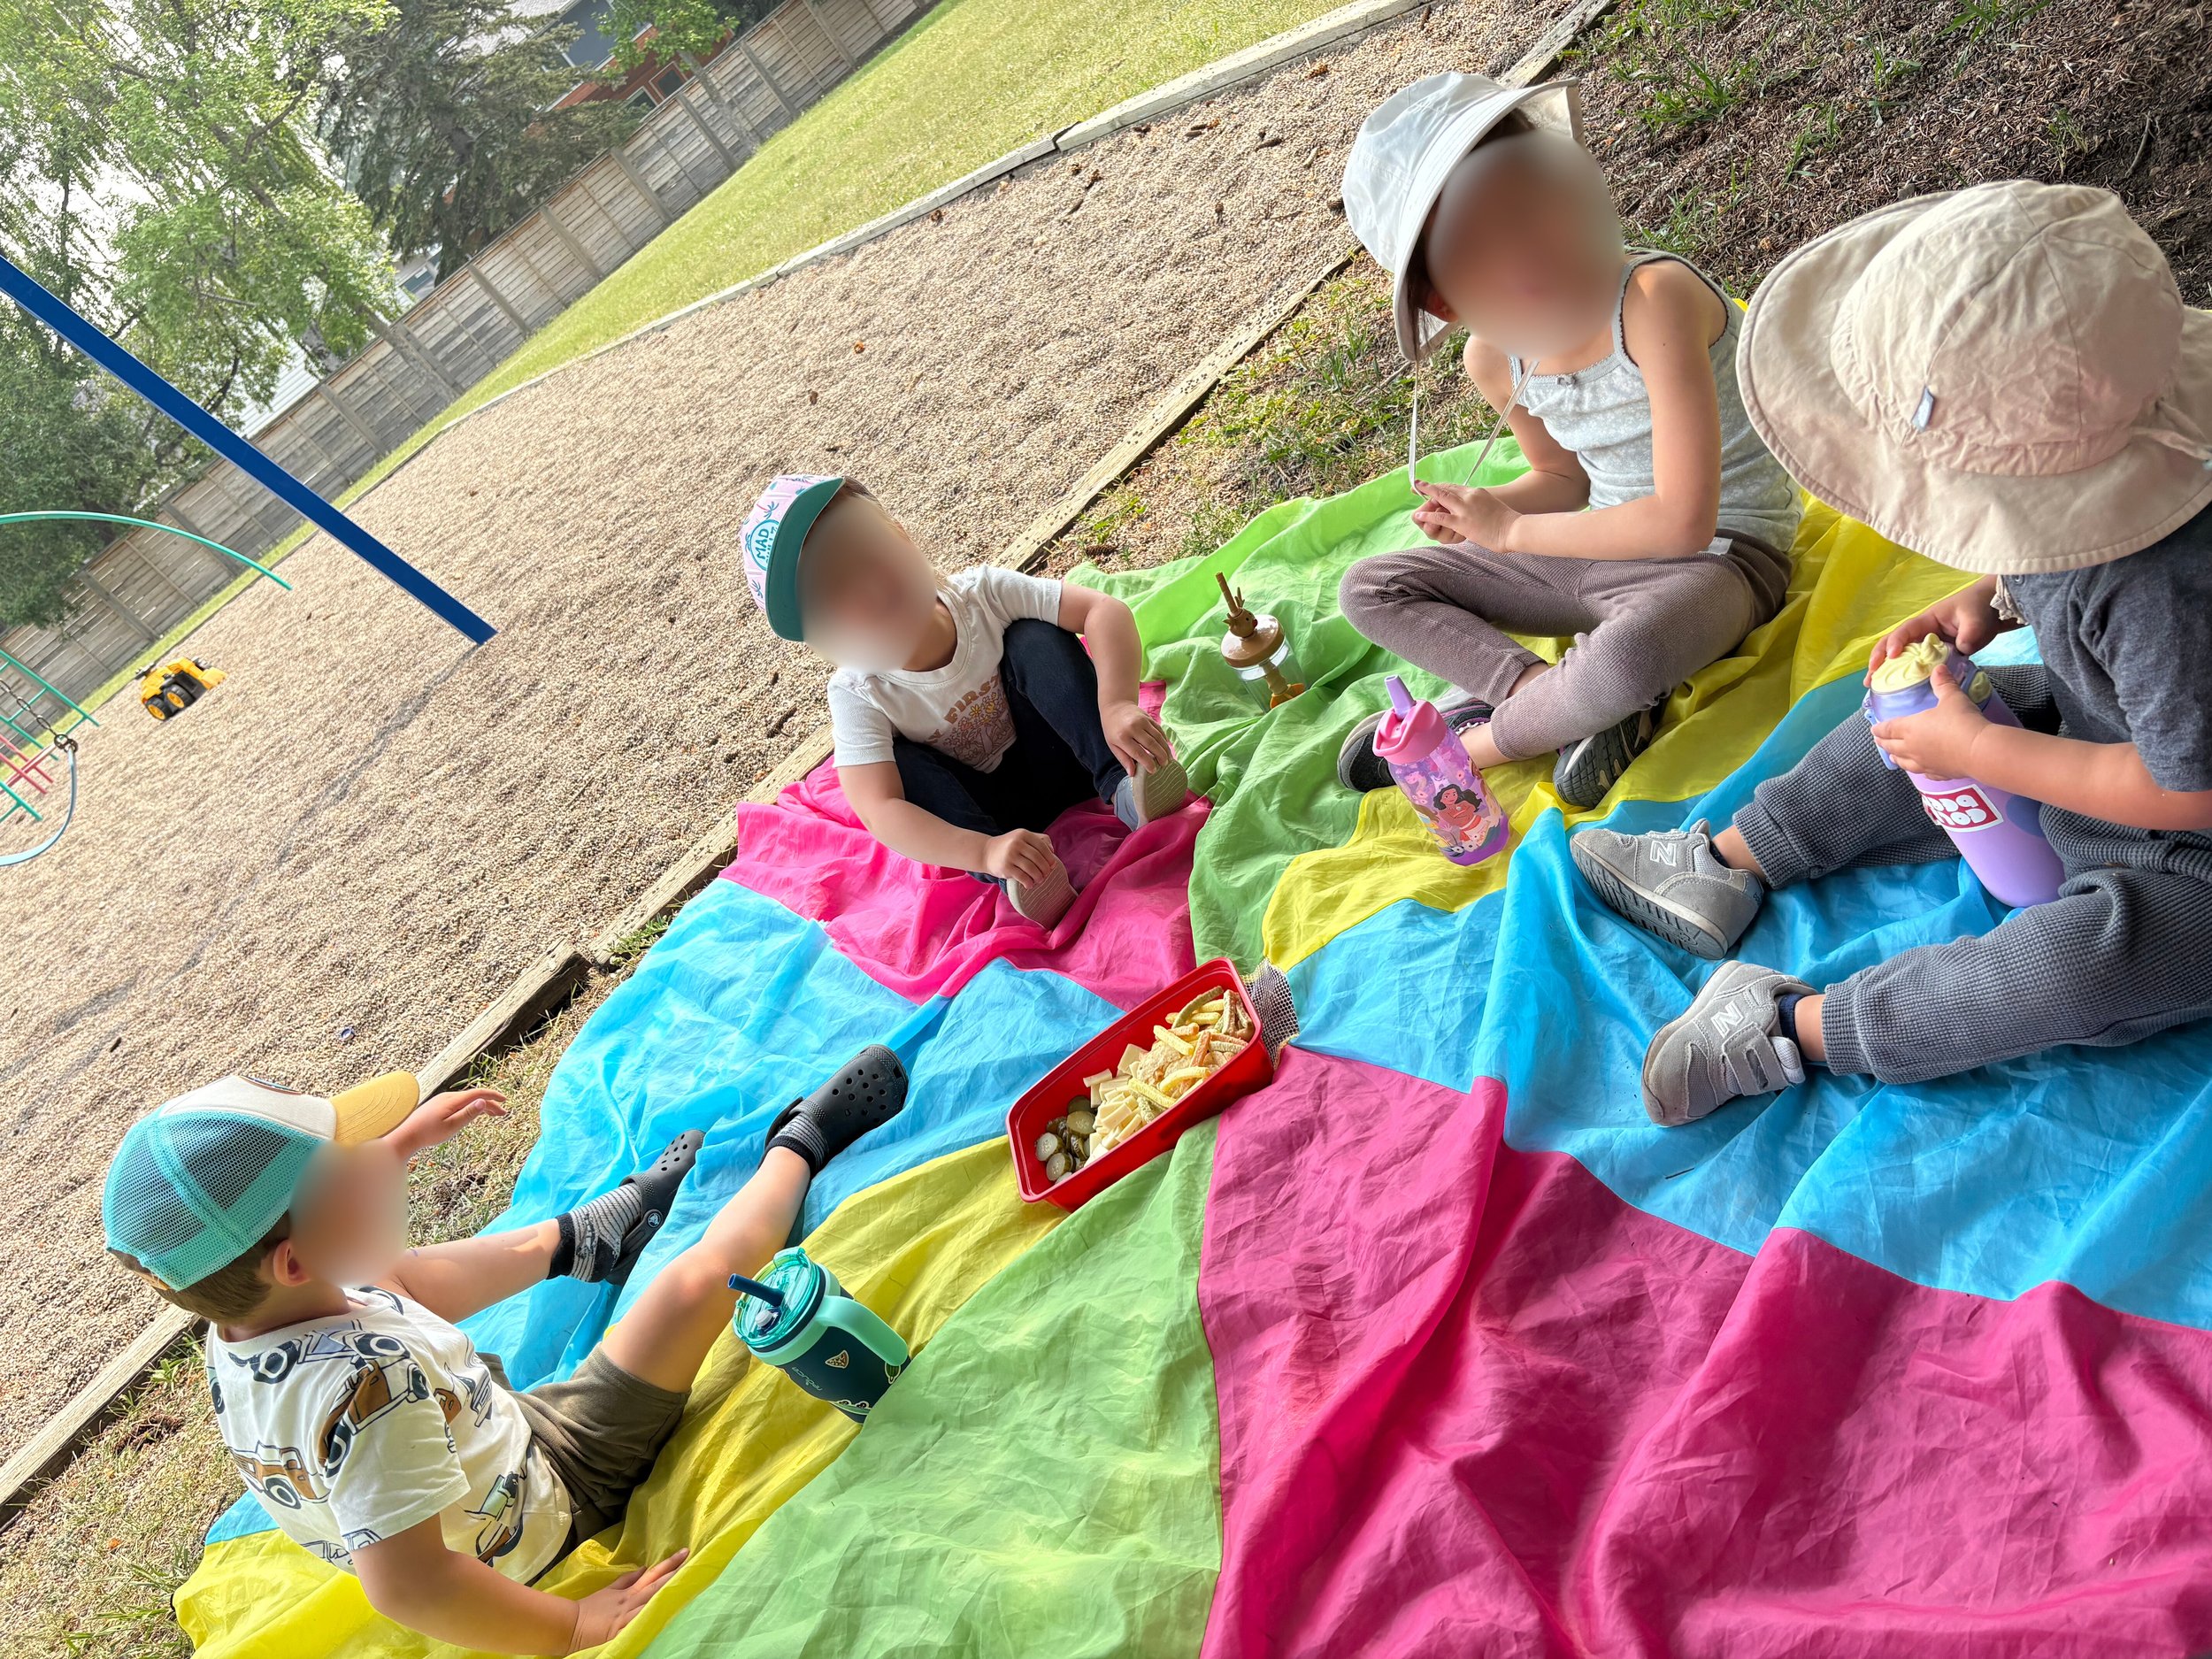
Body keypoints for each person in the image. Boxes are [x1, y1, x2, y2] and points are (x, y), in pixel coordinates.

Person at [1570, 181, 2212, 1125]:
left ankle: (1795, 1025)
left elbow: (2190, 788)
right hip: (2104, 724)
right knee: (1910, 718)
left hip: (2187, 848)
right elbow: (2054, 545)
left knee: (2081, 967)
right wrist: (1990, 601)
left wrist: (1984, 756)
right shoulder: (2110, 438)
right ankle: (1726, 859)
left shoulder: (2161, 583)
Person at [102, 1048, 910, 1652]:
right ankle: (797, 1145)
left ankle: (589, 1239)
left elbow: (348, 1265)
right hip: (552, 1490)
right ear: (293, 1260)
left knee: (390, 1277)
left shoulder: (244, 1316)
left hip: (475, 1439)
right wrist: (572, 1625)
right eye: (351, 1167)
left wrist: (397, 1147)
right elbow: (410, 1586)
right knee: (693, 1286)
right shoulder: (366, 1393)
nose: (379, 1162)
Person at [1333, 73, 1801, 810]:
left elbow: (1687, 521)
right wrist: (1490, 510)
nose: (1524, 247)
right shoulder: (1494, 357)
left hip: (1721, 560)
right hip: (1591, 551)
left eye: (1529, 204)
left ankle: (1476, 741)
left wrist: (1515, 531)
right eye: (1478, 247)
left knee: (1626, 658)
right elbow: (1564, 479)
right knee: (1369, 587)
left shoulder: (1653, 301)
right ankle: (1541, 697)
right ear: (1446, 300)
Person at [739, 474, 1188, 928]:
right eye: (834, 595)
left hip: (1064, 759)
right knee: (892, 770)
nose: (866, 591)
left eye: (866, 556)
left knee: (1033, 636)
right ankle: (1025, 878)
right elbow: (878, 811)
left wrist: (1115, 705)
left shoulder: (981, 595)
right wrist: (984, 851)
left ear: (899, 535)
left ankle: (1124, 785)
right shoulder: (859, 695)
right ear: (823, 640)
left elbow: (1101, 610)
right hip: (988, 821)